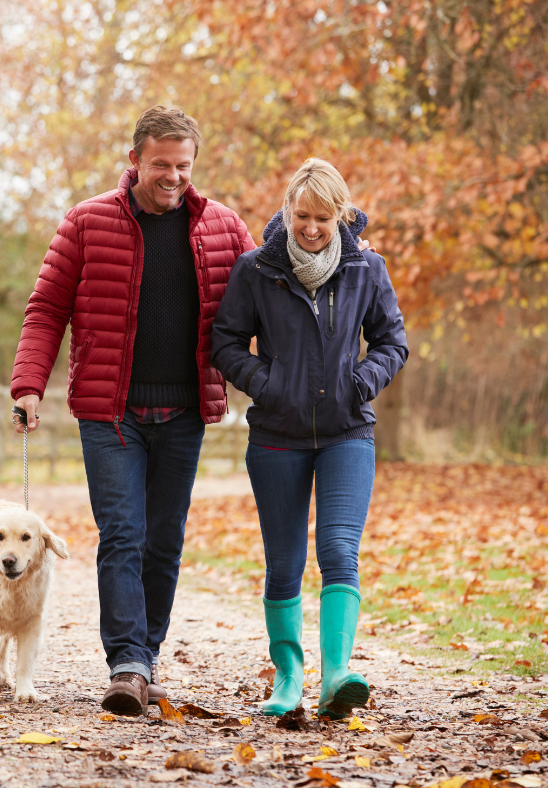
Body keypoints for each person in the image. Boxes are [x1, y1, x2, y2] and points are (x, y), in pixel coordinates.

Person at [10, 106, 255, 715]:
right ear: (134, 160)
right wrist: (28, 385)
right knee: (123, 534)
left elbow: (268, 296)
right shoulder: (87, 223)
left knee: (164, 541)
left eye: (183, 166)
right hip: (109, 412)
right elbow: (46, 309)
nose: (172, 177)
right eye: (161, 165)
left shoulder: (223, 229)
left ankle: (144, 657)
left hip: (184, 414)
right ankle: (126, 662)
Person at [211, 158, 408, 720]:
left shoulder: (367, 269)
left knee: (340, 550)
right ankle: (289, 675)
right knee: (284, 562)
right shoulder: (257, 270)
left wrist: (361, 381)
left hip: (348, 432)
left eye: (323, 217)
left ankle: (337, 673)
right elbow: (225, 343)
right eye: (302, 216)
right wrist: (266, 385)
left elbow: (392, 342)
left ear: (341, 215)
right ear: (287, 212)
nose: (312, 228)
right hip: (277, 436)